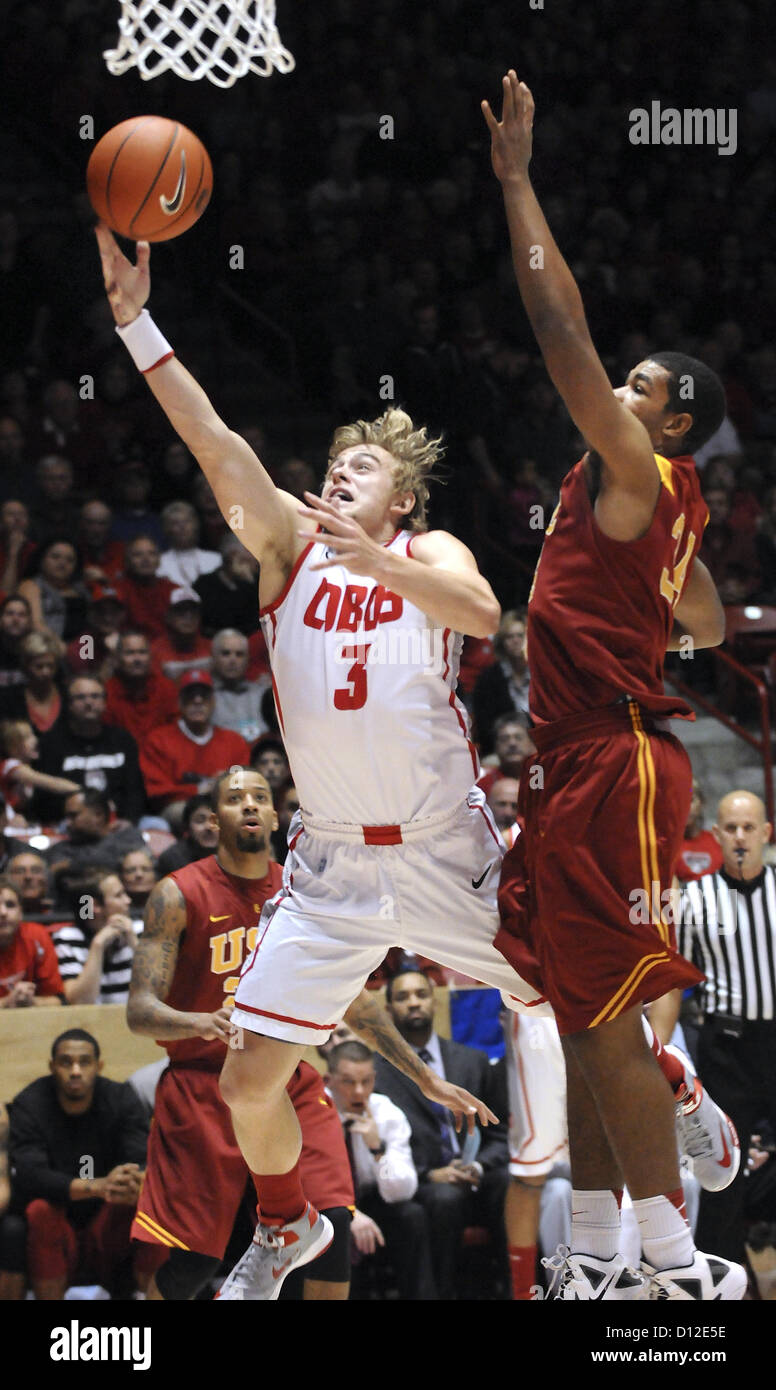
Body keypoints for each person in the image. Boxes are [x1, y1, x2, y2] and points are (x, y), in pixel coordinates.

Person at [96, 219, 549, 1301]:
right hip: (334, 864)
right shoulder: (286, 549)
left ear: (402, 500)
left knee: (568, 998)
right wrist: (137, 325)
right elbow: (214, 441)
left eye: (363, 469)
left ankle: (666, 1118)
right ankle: (286, 1223)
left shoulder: (425, 551)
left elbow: (481, 610)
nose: (339, 476)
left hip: (443, 848)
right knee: (247, 1079)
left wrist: (378, 563)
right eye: (334, 465)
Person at [483, 70, 744, 1299]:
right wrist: (657, 594)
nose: (619, 393)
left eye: (641, 386)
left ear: (671, 424)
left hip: (611, 755)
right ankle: (593, 1253)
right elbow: (705, 617)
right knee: (575, 1013)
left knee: (600, 1016)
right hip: (573, 757)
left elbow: (557, 332)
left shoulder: (636, 467)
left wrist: (516, 182)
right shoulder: (655, 503)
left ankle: (677, 1268)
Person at [126, 767, 488, 1302]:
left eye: (260, 797)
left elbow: (356, 1001)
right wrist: (200, 1022)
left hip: (285, 1074)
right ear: (212, 820)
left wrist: (423, 1077)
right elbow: (139, 1010)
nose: (250, 805)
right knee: (194, 1261)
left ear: (277, 818)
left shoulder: (305, 894)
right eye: (234, 798)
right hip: (200, 1086)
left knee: (333, 1224)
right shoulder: (177, 894)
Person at [677, 790, 776, 1266]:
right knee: (724, 1171)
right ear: (715, 835)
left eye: (749, 828)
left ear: (766, 834)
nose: (740, 837)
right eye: (731, 828)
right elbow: (673, 984)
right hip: (727, 1049)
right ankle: (721, 1284)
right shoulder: (694, 899)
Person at [374, 967, 510, 1300]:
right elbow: (379, 1146)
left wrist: (477, 1166)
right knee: (445, 1199)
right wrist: (429, 1175)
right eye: (403, 997)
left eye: (421, 994)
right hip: (425, 1184)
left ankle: (519, 1290)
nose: (414, 1003)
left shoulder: (473, 1060)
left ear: (434, 1002)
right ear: (388, 1009)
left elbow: (500, 1136)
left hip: (476, 1175)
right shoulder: (377, 1073)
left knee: (511, 1183)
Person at [7, 1028, 151, 1299]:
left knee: (150, 1204)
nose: (75, 1071)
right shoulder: (30, 1103)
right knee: (39, 1211)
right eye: (66, 1062)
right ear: (52, 1066)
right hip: (58, 1220)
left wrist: (132, 1181)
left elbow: (141, 1159)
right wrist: (97, 1186)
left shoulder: (121, 1098)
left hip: (109, 1217)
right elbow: (29, 1175)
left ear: (99, 1066)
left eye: (84, 1062)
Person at [326, 1038, 435, 1301]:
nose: (359, 1091)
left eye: (366, 1081)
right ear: (329, 1081)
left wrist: (377, 1151)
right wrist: (350, 1213)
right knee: (336, 1223)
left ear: (374, 1078)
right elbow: (310, 1182)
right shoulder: (315, 1110)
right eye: (348, 1082)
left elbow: (402, 1192)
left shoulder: (386, 1113)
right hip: (328, 1205)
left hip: (375, 1198)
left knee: (411, 1216)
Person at [140, 670, 250, 824]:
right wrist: (198, 790)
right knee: (187, 813)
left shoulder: (234, 741)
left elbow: (246, 782)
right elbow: (157, 791)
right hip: (181, 808)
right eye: (190, 696)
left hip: (225, 804)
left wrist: (225, 783)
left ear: (213, 702)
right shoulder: (158, 740)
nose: (197, 701)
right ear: (179, 702)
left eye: (204, 696)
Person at [35, 674, 146, 825]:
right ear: (69, 704)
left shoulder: (122, 740)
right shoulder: (51, 743)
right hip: (69, 822)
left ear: (104, 702)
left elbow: (135, 790)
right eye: (80, 697)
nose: (88, 702)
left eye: (95, 696)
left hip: (120, 821)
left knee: (157, 825)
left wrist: (128, 820)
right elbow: (45, 797)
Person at [52, 870, 140, 1005]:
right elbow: (80, 1002)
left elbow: (161, 989)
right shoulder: (68, 938)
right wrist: (98, 945)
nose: (128, 900)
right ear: (95, 905)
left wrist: (134, 942)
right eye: (119, 895)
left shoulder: (139, 930)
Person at [44, 787, 145, 881]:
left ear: (98, 815)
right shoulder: (61, 850)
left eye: (73, 816)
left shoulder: (129, 838)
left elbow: (143, 865)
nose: (67, 823)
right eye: (67, 817)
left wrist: (69, 865)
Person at [103, 629, 179, 746]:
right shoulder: (107, 692)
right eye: (129, 653)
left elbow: (176, 732)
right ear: (117, 659)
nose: (137, 659)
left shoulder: (166, 688)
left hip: (160, 753)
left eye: (142, 652)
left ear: (150, 657)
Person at [0, 874, 63, 1008]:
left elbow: (58, 1000)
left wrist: (31, 1001)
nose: (3, 912)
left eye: (10, 905)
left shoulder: (36, 936)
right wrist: (5, 1003)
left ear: (21, 912)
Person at [472, 608, 530, 753]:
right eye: (510, 637)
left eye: (520, 635)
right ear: (502, 642)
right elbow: (485, 726)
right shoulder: (488, 679)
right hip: (501, 750)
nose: (516, 641)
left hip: (538, 746)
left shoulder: (541, 674)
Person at [0, 719, 81, 819]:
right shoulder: (11, 766)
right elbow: (52, 783)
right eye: (27, 738)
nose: (35, 740)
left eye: (32, 735)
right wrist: (81, 790)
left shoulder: (29, 766)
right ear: (13, 746)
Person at [16, 537, 89, 643]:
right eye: (55, 557)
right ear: (41, 560)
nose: (62, 563)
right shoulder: (31, 586)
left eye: (70, 560)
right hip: (48, 647)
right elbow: (36, 625)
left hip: (83, 648)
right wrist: (62, 648)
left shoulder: (81, 589)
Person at [211, 629, 271, 744]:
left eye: (239, 654)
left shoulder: (264, 694)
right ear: (214, 658)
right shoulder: (205, 697)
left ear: (247, 660)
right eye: (226, 653)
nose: (232, 660)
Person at [114, 534, 175, 640]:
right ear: (127, 561)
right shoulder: (118, 589)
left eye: (152, 554)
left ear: (159, 560)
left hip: (166, 646)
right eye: (138, 555)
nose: (146, 559)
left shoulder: (173, 590)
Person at [150, 587, 211, 683]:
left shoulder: (212, 647)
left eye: (193, 611)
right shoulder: (154, 651)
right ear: (168, 616)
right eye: (181, 611)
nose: (188, 617)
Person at [156, 499, 221, 588]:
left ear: (196, 525)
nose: (182, 527)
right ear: (167, 528)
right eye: (175, 523)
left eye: (187, 521)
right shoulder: (158, 563)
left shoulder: (216, 560)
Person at [154, 793, 219, 876]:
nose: (209, 827)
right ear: (187, 827)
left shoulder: (234, 854)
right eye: (200, 820)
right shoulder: (173, 858)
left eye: (215, 821)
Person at [675, 777, 724, 882]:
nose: (685, 807)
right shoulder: (668, 847)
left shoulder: (717, 841)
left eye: (690, 800)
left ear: (701, 802)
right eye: (679, 801)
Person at [476, 714, 535, 799]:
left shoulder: (544, 778)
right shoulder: (483, 786)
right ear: (496, 746)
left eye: (519, 738)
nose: (512, 743)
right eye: (504, 739)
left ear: (532, 743)